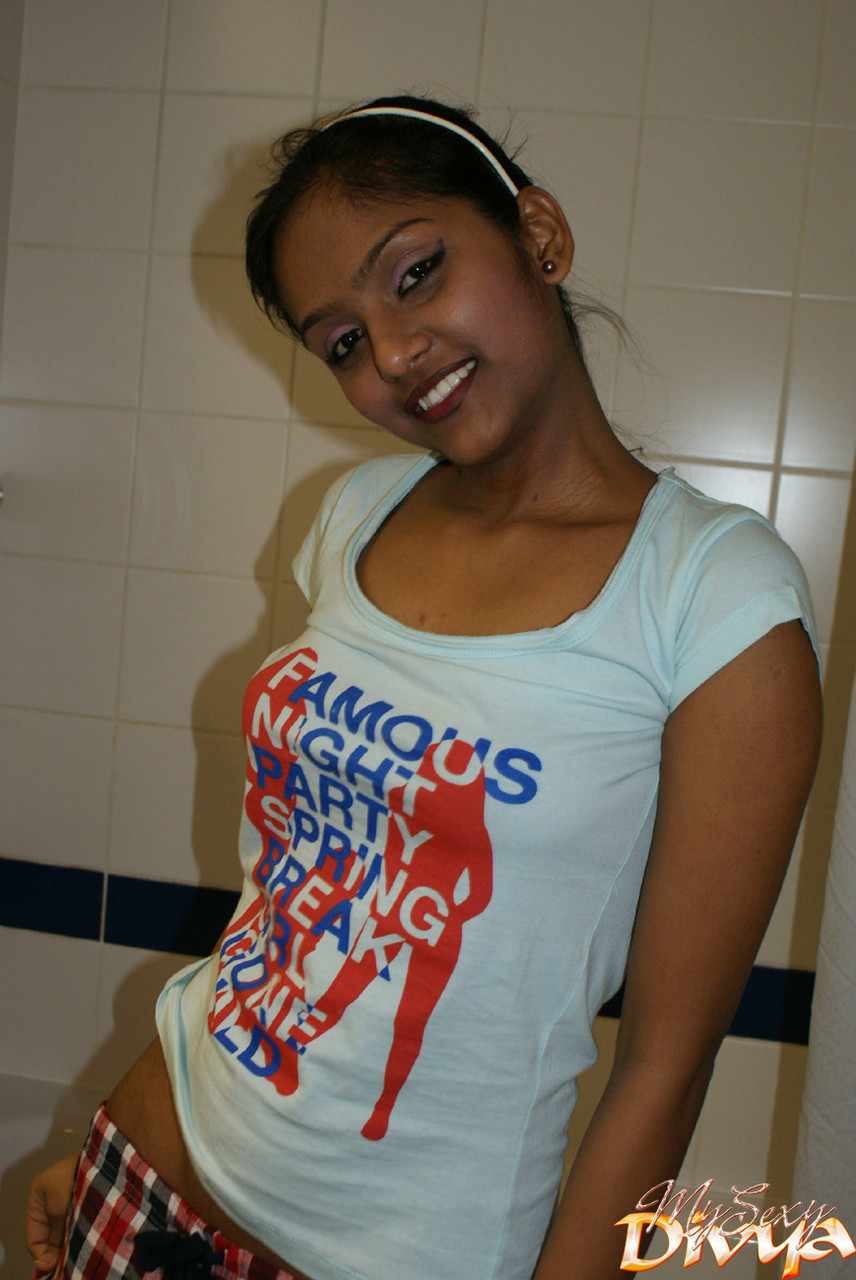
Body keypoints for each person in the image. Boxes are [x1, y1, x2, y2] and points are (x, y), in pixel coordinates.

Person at [26, 94, 822, 1280]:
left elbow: (665, 1065)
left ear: (539, 235)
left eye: (415, 273)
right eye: (343, 340)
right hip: (140, 1167)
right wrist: (111, 1136)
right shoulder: (356, 512)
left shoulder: (711, 593)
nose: (394, 354)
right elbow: (288, 894)